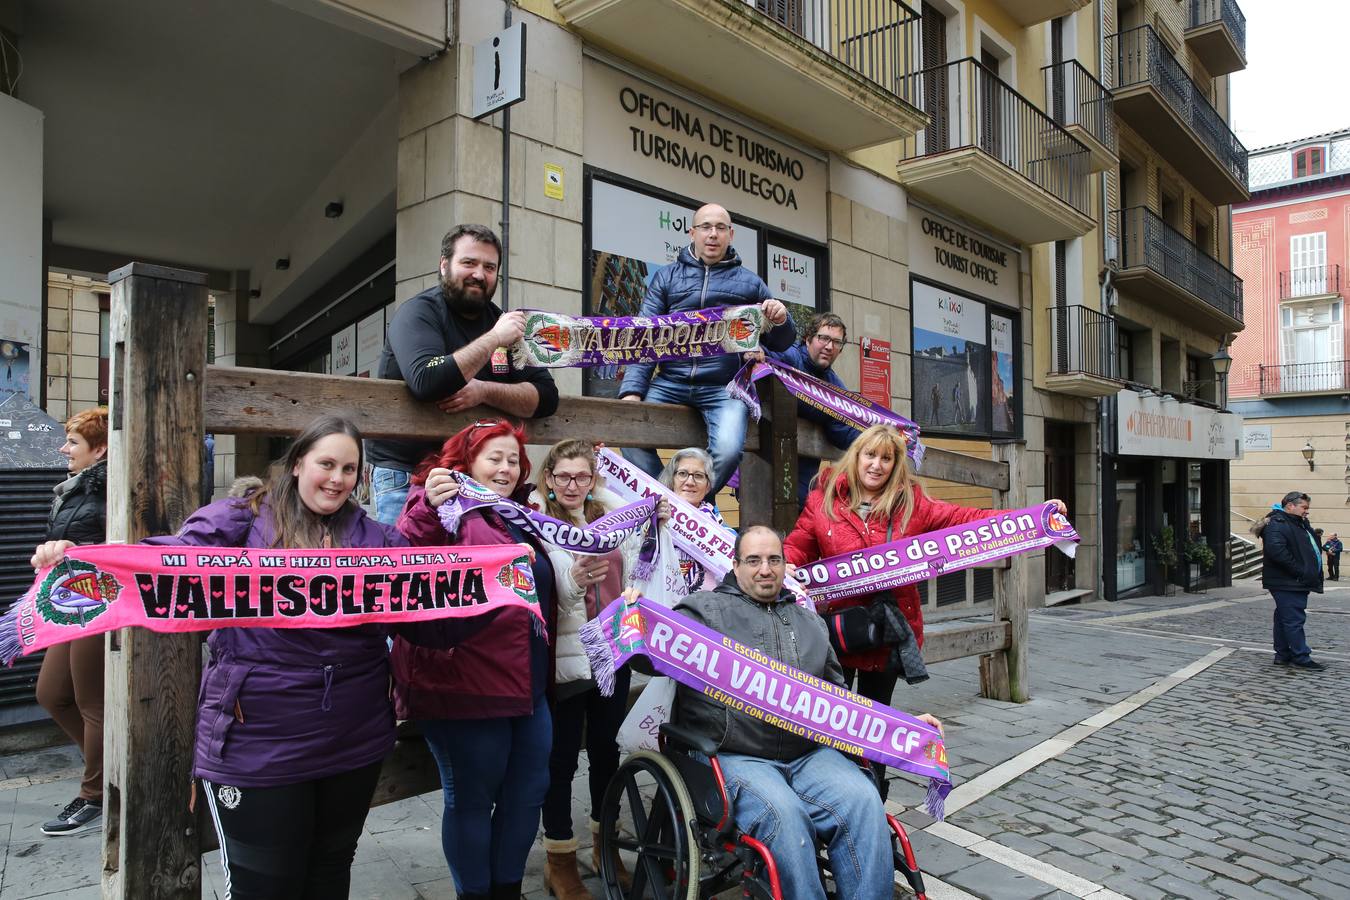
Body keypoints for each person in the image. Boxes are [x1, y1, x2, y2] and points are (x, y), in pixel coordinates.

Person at [32, 415, 408, 897]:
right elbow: (166, 566)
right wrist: (82, 558)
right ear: (296, 464)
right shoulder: (240, 519)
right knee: (264, 885)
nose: (337, 479)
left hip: (354, 739)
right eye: (326, 464)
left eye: (350, 469)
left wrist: (487, 569)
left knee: (331, 872)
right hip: (259, 743)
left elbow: (437, 621)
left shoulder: (380, 540)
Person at [664, 525, 943, 900]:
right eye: (754, 560)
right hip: (735, 755)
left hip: (808, 755)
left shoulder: (809, 622)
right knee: (785, 816)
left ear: (785, 564)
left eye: (774, 560)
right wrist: (636, 615)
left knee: (863, 801)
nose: (765, 569)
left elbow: (840, 701)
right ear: (735, 565)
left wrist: (906, 729)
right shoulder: (703, 611)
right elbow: (655, 656)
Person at [784, 425, 1065, 793]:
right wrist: (787, 563)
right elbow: (798, 544)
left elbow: (965, 521)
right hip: (834, 633)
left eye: (887, 458)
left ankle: (871, 799)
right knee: (830, 721)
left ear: (896, 464)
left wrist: (1031, 518)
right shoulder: (823, 500)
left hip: (885, 636)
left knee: (876, 726)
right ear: (856, 456)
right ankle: (826, 796)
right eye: (870, 455)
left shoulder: (912, 505)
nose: (877, 465)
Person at [392, 420, 557, 900]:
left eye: (513, 460)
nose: (506, 468)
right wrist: (426, 505)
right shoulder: (438, 507)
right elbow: (404, 554)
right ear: (465, 463)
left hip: (528, 686)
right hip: (464, 686)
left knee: (527, 797)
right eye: (494, 458)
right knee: (470, 801)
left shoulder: (521, 514)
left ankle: (507, 891)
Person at [367, 224, 560, 525]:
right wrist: (494, 339)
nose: (479, 274)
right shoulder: (418, 313)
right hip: (407, 475)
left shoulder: (502, 323)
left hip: (474, 481)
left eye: (489, 267)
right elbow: (427, 381)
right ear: (444, 266)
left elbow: (547, 398)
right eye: (468, 263)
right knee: (408, 572)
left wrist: (484, 391)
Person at [530, 440, 647, 898]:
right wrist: (573, 584)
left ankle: (605, 844)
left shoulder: (610, 516)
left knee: (605, 752)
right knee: (559, 761)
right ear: (550, 478)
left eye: (582, 476)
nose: (573, 485)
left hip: (611, 653)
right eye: (564, 477)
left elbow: (637, 562)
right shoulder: (539, 523)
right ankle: (559, 860)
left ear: (593, 478)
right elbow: (545, 591)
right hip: (565, 657)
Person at [619, 203, 796, 494]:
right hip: (669, 382)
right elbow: (644, 337)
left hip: (723, 388)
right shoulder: (666, 277)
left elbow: (782, 341)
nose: (712, 234)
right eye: (705, 227)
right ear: (692, 233)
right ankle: (674, 503)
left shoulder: (751, 283)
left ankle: (685, 509)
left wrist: (781, 318)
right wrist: (632, 390)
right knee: (626, 431)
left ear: (731, 234)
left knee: (727, 451)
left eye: (720, 228)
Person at [34, 407, 109, 836]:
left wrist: (71, 547)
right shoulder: (74, 489)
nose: (64, 448)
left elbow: (114, 541)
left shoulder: (109, 488)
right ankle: (110, 770)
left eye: (74, 442)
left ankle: (94, 794)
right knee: (51, 693)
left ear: (98, 449)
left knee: (90, 702)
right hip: (68, 598)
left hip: (99, 599)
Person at [767, 312, 862, 508]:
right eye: (824, 338)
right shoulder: (788, 357)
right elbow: (761, 353)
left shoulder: (835, 388)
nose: (829, 346)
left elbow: (842, 429)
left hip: (802, 482)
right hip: (763, 467)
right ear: (808, 338)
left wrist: (874, 438)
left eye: (836, 342)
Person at [1254, 491, 1327, 671]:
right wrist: (1300, 572)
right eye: (1304, 507)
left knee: (1284, 618)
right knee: (1294, 619)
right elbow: (1277, 552)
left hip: (1292, 581)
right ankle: (1301, 656)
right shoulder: (1279, 524)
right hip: (1288, 581)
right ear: (1290, 506)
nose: (1306, 511)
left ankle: (1282, 655)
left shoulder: (1297, 523)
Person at [659, 447, 734, 592]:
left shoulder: (720, 528)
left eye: (699, 476)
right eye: (682, 474)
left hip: (706, 607)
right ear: (672, 480)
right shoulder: (653, 516)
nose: (690, 482)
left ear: (708, 486)